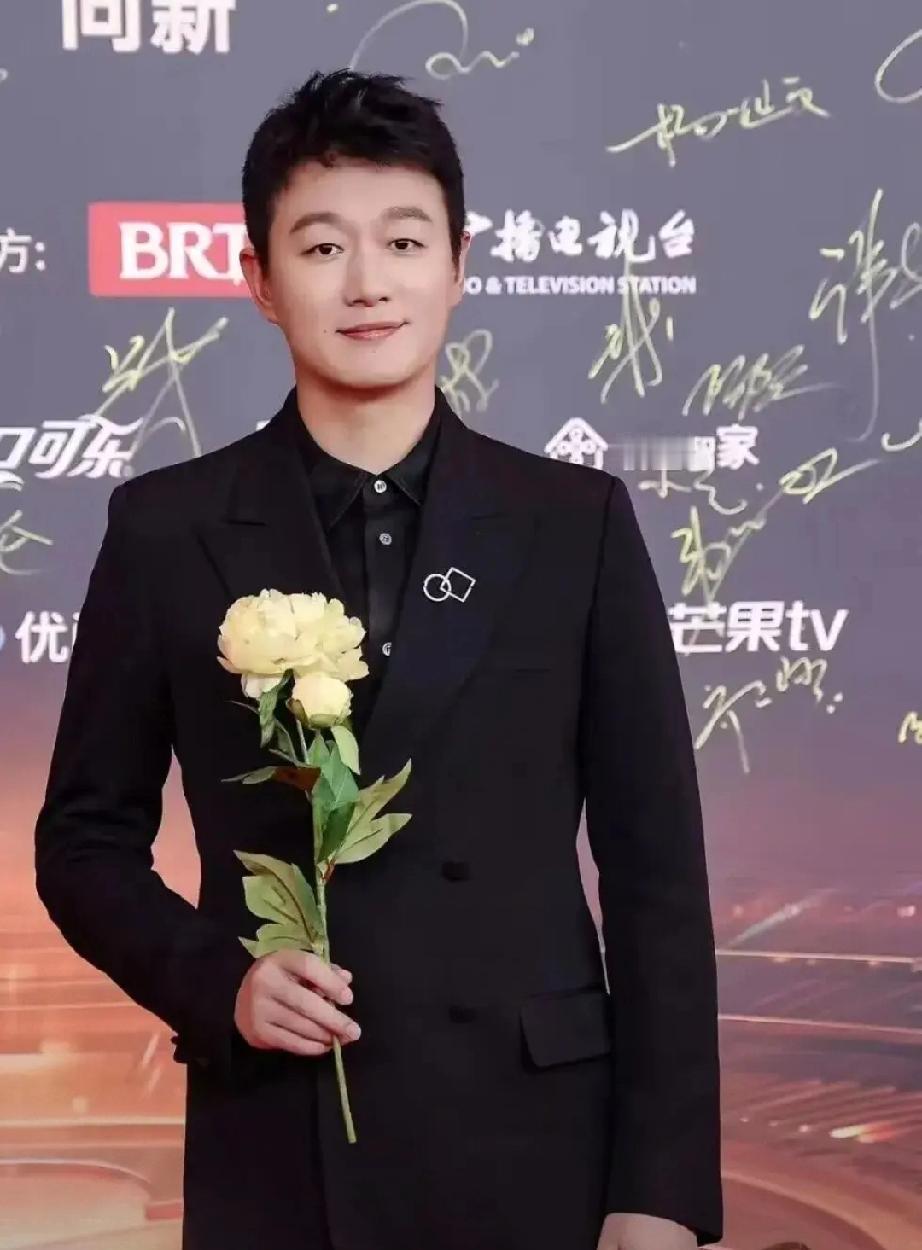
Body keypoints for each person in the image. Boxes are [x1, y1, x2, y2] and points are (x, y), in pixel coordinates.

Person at [34, 69, 722, 1250]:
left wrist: (658, 1189)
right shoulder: (167, 528)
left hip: (535, 1142)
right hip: (281, 1137)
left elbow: (656, 874)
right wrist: (219, 979)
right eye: (321, 246)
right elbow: (84, 841)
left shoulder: (573, 523)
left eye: (403, 240)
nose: (367, 281)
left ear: (458, 264)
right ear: (258, 279)